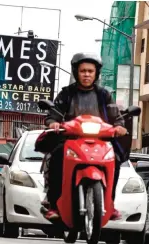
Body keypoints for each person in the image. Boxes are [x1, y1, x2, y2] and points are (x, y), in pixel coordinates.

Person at [43, 53, 127, 221]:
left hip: (100, 142)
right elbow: (53, 116)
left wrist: (119, 127)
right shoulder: (67, 93)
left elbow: (116, 118)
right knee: (56, 158)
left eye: (90, 71)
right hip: (70, 141)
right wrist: (54, 123)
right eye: (83, 71)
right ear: (76, 72)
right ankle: (52, 204)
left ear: (96, 73)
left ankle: (110, 203)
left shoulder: (104, 95)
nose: (87, 74)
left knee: (116, 161)